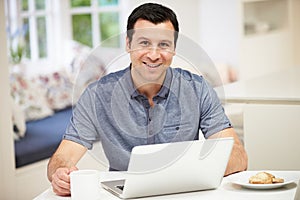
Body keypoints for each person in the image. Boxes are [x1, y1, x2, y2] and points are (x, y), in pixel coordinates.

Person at [47, 3, 248, 196]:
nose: (153, 55)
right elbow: (62, 158)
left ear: (174, 48)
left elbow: (238, 157)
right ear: (128, 44)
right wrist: (61, 174)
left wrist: (192, 169)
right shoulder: (96, 95)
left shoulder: (198, 88)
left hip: (183, 193)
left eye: (164, 45)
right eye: (144, 43)